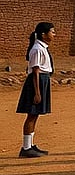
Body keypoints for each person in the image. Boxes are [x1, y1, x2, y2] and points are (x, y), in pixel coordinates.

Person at [17, 21, 55, 159]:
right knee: (31, 114)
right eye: (52, 31)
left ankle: (30, 145)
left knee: (35, 114)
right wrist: (37, 92)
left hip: (42, 81)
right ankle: (26, 148)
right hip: (37, 82)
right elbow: (35, 71)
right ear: (44, 35)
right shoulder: (37, 49)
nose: (54, 34)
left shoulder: (42, 47)